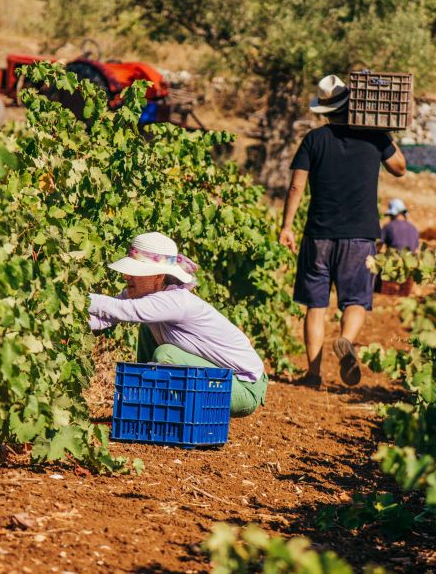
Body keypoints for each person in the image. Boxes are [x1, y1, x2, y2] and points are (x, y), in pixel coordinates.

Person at [279, 75, 407, 388]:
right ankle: (346, 340)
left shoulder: (314, 139)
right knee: (356, 301)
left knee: (315, 306)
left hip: (318, 234)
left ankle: (312, 375)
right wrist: (385, 133)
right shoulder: (374, 138)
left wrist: (286, 226)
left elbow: (297, 185)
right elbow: (400, 168)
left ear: (324, 109)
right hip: (360, 236)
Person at [87, 231, 268, 417]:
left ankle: (154, 409)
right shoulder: (146, 296)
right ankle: (146, 402)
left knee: (166, 355)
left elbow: (123, 310)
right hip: (222, 376)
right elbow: (107, 315)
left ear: (158, 276)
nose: (126, 276)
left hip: (243, 387)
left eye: (135, 271)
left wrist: (77, 297)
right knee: (147, 329)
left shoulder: (175, 301)